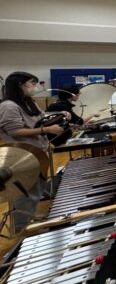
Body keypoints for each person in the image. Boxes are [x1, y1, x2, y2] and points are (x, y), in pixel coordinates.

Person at [0, 72, 68, 229]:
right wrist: (46, 130)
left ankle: (28, 217)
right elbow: (15, 131)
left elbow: (41, 118)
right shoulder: (9, 106)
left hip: (37, 152)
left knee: (37, 189)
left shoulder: (28, 102)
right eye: (32, 83)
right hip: (21, 156)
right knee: (26, 192)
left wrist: (59, 115)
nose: (35, 86)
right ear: (20, 85)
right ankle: (21, 227)